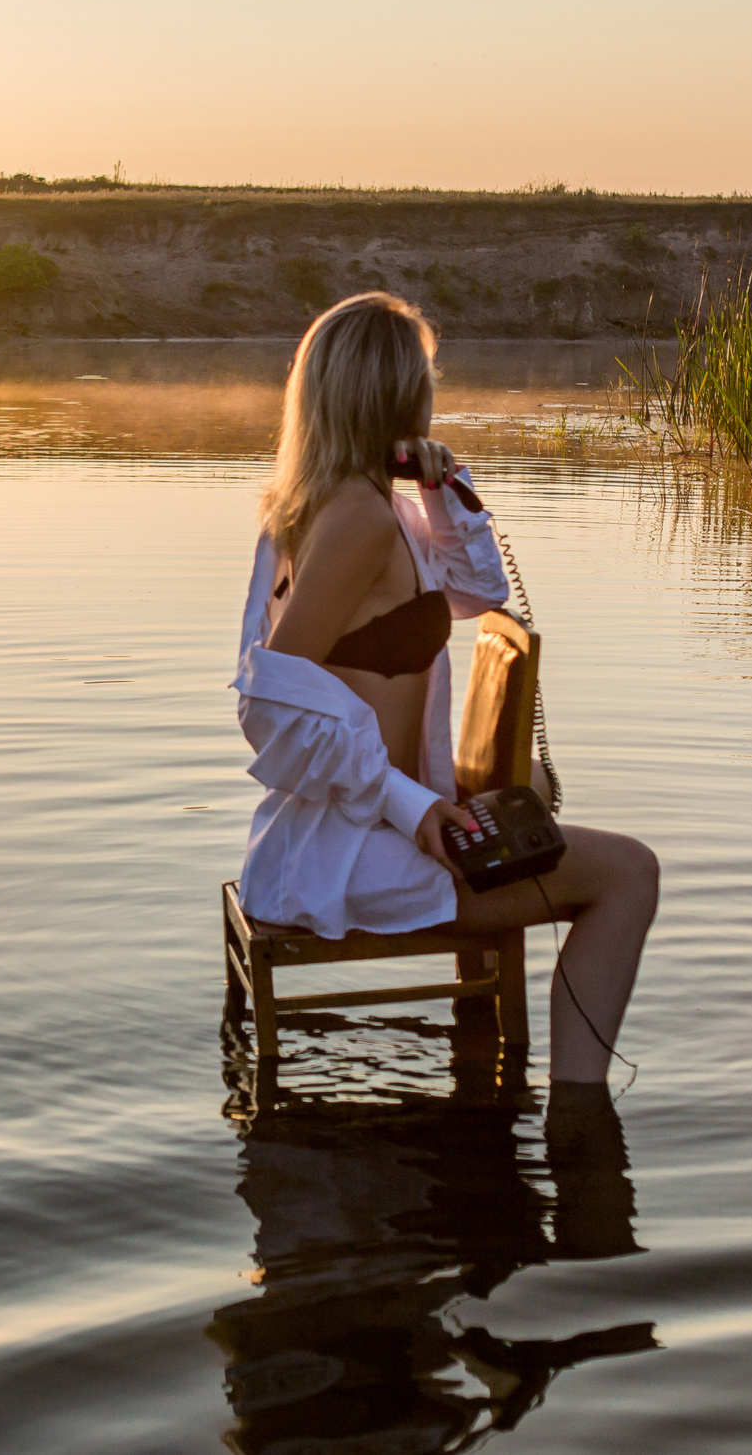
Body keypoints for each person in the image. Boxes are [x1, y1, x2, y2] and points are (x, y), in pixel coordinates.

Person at [232, 292, 659, 1086]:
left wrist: (440, 480)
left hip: (343, 835)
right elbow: (269, 700)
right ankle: (578, 1109)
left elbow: (479, 589)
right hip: (355, 851)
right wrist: (413, 807)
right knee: (629, 874)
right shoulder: (359, 518)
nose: (432, 392)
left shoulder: (334, 504)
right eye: (423, 377)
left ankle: (503, 1060)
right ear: (395, 393)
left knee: (563, 823)